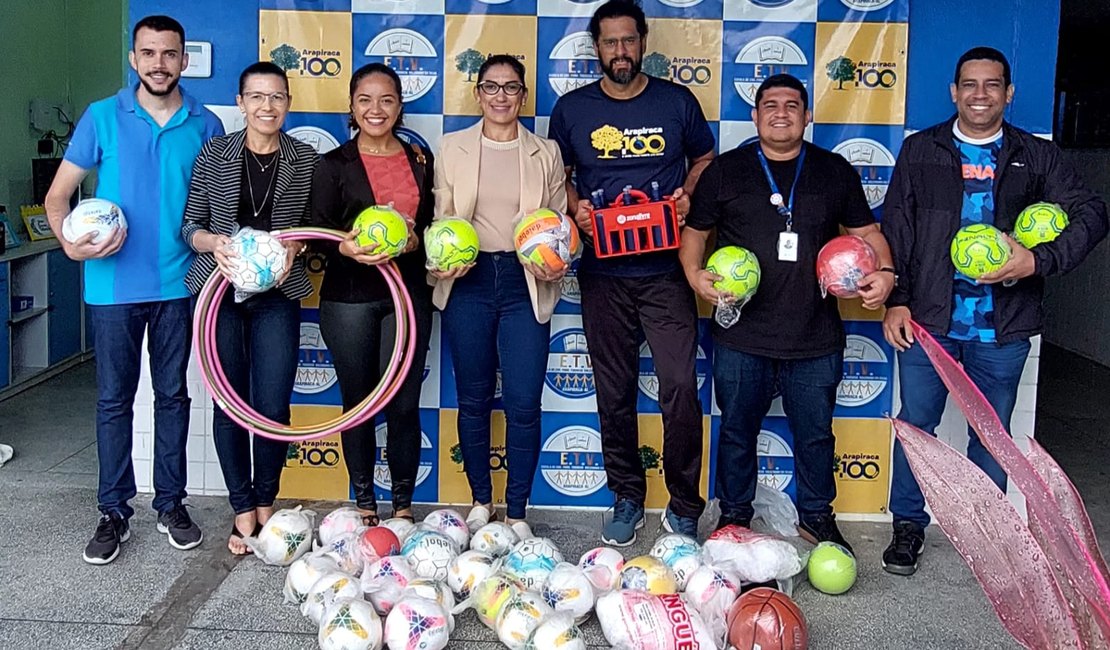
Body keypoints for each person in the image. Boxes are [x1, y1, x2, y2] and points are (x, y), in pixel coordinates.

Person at [880, 47, 1109, 575]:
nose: (979, 94)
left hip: (1003, 329)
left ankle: (988, 534)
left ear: (1008, 93)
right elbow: (898, 230)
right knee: (917, 427)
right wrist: (897, 301)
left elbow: (1092, 212)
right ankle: (908, 527)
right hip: (929, 325)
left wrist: (1037, 261)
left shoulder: (1035, 154)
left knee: (993, 434)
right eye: (969, 85)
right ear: (953, 92)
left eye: (991, 85)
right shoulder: (921, 150)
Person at [683, 74, 895, 554]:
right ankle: (734, 517)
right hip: (742, 336)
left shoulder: (833, 170)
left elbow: (870, 232)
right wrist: (695, 275)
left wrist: (884, 271)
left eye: (793, 105)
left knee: (817, 437)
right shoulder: (727, 171)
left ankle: (818, 518)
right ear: (755, 116)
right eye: (771, 105)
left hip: (814, 337)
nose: (782, 112)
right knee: (737, 433)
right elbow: (694, 233)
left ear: (807, 115)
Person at [44, 15, 224, 565]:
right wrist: (69, 244)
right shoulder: (102, 116)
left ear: (183, 60)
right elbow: (59, 199)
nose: (159, 64)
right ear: (133, 58)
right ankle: (113, 511)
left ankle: (171, 503)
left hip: (178, 283)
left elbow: (216, 204)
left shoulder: (206, 123)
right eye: (148, 53)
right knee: (113, 401)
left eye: (169, 54)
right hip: (112, 287)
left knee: (173, 397)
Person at [548, 0, 715, 545]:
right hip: (603, 273)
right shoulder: (572, 109)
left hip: (667, 271)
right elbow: (561, 174)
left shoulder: (677, 101)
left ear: (643, 41)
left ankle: (685, 505)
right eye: (609, 42)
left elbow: (704, 158)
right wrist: (575, 207)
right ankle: (627, 495)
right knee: (613, 389)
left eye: (628, 40)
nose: (620, 52)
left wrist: (690, 194)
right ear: (595, 47)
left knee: (680, 387)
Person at [181, 62, 318, 555]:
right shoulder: (215, 154)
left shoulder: (305, 159)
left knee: (272, 404)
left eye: (277, 97)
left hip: (277, 296)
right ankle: (242, 509)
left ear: (287, 102)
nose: (267, 106)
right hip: (218, 294)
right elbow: (189, 227)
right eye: (256, 97)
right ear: (240, 102)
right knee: (229, 403)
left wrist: (293, 253)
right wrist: (212, 242)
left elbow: (310, 227)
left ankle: (266, 502)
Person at [431, 55, 568, 539]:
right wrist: (441, 260)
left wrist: (554, 256)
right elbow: (441, 221)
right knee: (472, 400)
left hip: (523, 282)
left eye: (511, 88)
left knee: (524, 402)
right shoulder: (452, 148)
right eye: (491, 87)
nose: (501, 97)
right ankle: (479, 501)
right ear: (478, 93)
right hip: (468, 280)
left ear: (524, 95)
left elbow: (559, 223)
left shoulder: (545, 152)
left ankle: (516, 511)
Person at [310, 63, 434, 525]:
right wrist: (341, 244)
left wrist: (415, 240)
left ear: (400, 106)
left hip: (409, 297)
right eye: (365, 100)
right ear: (351, 106)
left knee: (403, 402)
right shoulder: (334, 165)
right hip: (349, 298)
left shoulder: (420, 160)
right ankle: (365, 503)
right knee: (358, 402)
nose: (375, 109)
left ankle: (402, 506)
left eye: (386, 100)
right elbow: (316, 232)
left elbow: (429, 228)